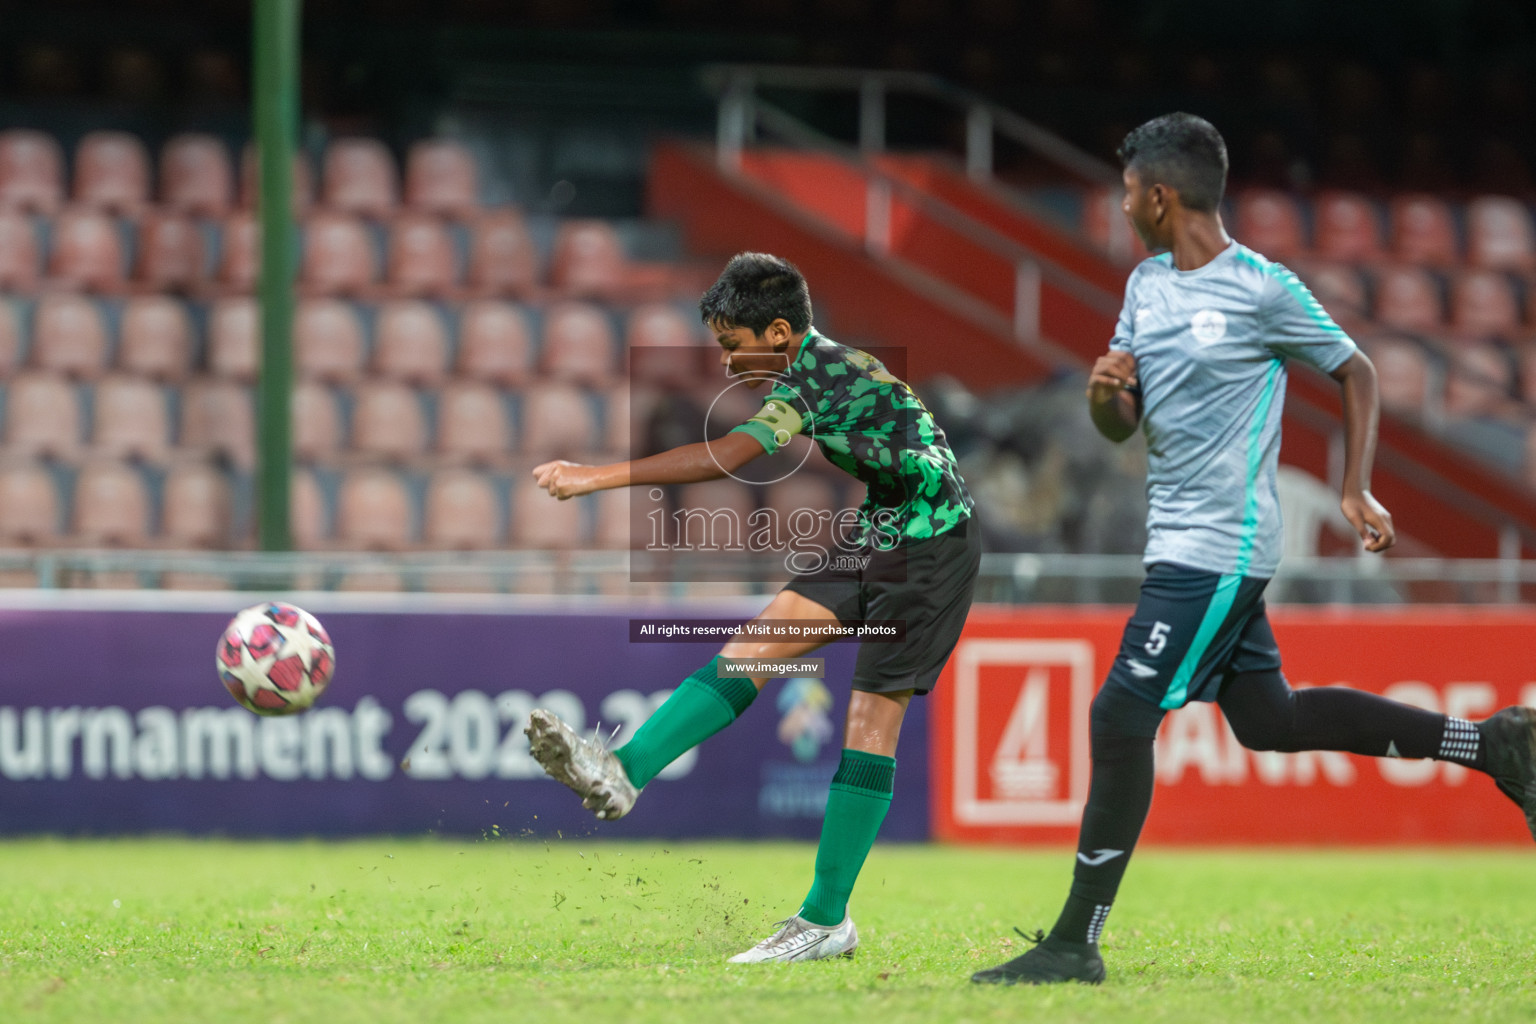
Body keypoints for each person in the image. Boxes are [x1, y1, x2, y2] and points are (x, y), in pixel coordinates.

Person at [971, 113, 1536, 987]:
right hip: (1180, 543)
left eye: (1127, 194)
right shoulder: (1145, 287)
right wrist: (1103, 397)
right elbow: (1121, 424)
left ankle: (1074, 942)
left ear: (1161, 196)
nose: (1123, 208)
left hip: (1222, 546)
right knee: (1271, 721)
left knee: (1121, 716)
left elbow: (1356, 369)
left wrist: (1354, 488)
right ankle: (1492, 746)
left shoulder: (1262, 288)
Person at [524, 252, 981, 963]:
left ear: (777, 332)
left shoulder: (816, 375)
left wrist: (595, 477)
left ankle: (826, 919)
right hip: (880, 531)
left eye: (732, 347)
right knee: (754, 648)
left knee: (868, 723)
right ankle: (626, 770)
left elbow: (730, 455)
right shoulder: (820, 367)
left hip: (932, 551)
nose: (727, 364)